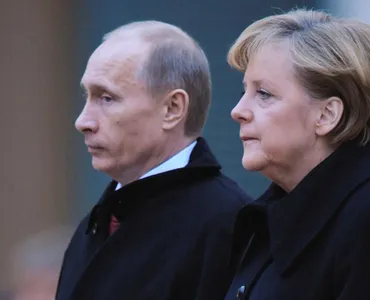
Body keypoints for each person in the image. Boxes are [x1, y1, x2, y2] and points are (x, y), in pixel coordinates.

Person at [55, 21, 252, 300]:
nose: (82, 121)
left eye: (107, 98)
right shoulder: (98, 222)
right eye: (87, 97)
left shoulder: (229, 225)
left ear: (172, 109)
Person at [223, 8, 370, 300]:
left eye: (264, 94)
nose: (238, 111)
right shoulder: (266, 218)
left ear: (327, 115)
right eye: (245, 91)